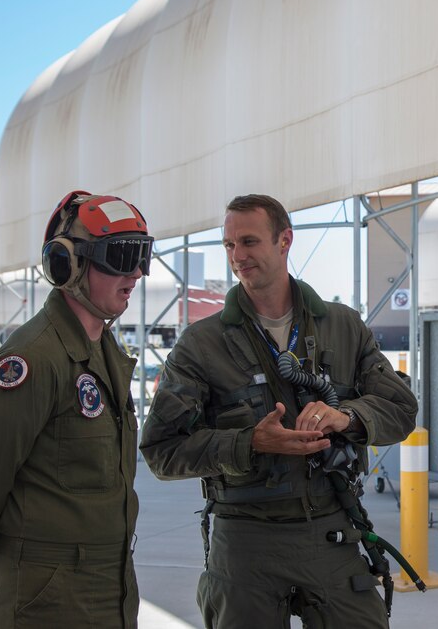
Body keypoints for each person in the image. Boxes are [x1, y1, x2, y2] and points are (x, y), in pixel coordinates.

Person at [140, 194, 417, 629]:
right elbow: (161, 450)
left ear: (285, 240)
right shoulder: (201, 344)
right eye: (229, 245)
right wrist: (249, 443)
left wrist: (345, 416)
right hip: (245, 539)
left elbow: (401, 408)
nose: (238, 256)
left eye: (249, 242)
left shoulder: (343, 327)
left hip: (331, 528)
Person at [0, 190, 153, 627]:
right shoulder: (33, 360)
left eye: (142, 256)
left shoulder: (105, 354)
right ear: (68, 264)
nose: (136, 272)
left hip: (107, 592)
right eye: (120, 256)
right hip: (41, 602)